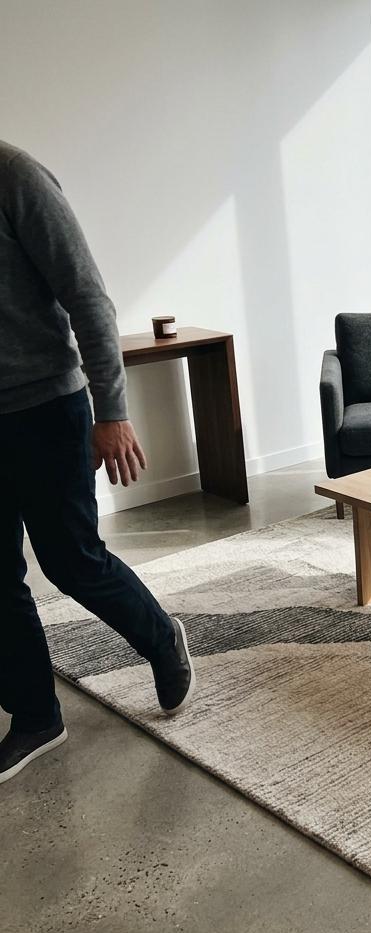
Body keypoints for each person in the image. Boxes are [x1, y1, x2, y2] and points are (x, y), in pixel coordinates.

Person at [0, 140, 195, 785]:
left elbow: (87, 296)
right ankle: (35, 714)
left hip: (45, 408)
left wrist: (111, 411)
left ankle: (160, 636)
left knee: (69, 559)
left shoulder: (14, 175)